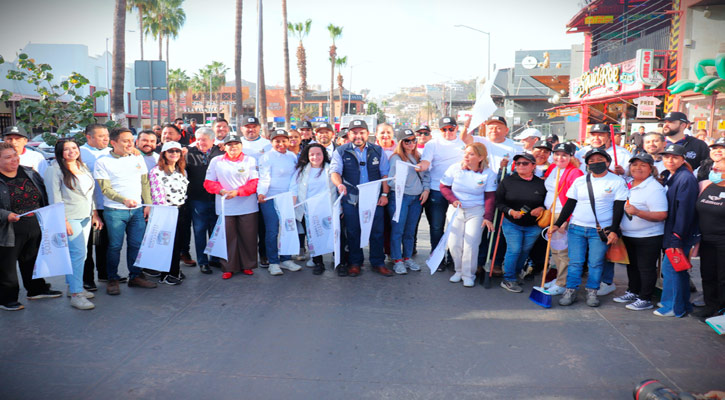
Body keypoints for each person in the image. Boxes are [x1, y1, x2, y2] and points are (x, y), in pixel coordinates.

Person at [550, 148, 628, 307]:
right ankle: (570, 290)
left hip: (599, 231)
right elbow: (570, 203)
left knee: (595, 262)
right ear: (587, 164)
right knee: (575, 262)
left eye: (599, 159)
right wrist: (558, 224)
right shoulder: (580, 181)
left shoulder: (617, 181)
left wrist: (613, 230)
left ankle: (592, 291)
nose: (595, 163)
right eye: (591, 161)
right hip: (576, 228)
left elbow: (618, 207)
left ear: (607, 162)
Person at [93, 127, 158, 295]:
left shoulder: (137, 158)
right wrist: (124, 200)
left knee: (136, 245)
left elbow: (145, 183)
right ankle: (112, 279)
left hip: (137, 211)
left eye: (131, 140)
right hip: (115, 211)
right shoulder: (103, 161)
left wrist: (148, 204)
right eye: (125, 140)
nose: (130, 143)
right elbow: (105, 189)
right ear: (113, 143)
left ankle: (135, 276)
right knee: (114, 246)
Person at [0, 142, 62, 311]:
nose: (14, 159)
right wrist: (6, 215)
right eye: (8, 157)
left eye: (15, 155)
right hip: (8, 229)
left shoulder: (29, 172)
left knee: (32, 260)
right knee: (7, 267)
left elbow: (43, 193)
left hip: (34, 225)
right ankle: (7, 298)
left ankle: (36, 289)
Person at [45, 139, 103, 309]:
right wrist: (62, 221)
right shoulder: (54, 170)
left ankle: (73, 287)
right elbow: (54, 199)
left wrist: (94, 214)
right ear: (59, 153)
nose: (71, 152)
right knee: (78, 255)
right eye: (66, 149)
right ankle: (77, 294)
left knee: (81, 255)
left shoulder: (82, 167)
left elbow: (90, 194)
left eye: (74, 148)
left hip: (85, 215)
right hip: (69, 217)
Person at [330, 119, 392, 277]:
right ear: (349, 134)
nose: (358, 136)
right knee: (353, 231)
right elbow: (335, 172)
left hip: (375, 198)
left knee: (376, 232)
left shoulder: (378, 150)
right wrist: (339, 185)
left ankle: (378, 262)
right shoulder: (341, 151)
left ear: (367, 134)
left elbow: (385, 173)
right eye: (354, 132)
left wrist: (385, 194)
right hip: (352, 199)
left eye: (361, 132)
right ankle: (355, 262)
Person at [439, 142, 497, 287]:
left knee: (471, 244)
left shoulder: (489, 174)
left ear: (480, 157)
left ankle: (468, 274)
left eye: (471, 154)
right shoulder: (455, 168)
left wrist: (488, 218)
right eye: (466, 153)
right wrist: (453, 200)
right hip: (456, 210)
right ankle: (458, 271)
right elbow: (444, 186)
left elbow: (490, 197)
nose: (466, 156)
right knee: (454, 243)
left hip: (476, 211)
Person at [616, 153, 668, 311]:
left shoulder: (654, 188)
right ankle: (633, 291)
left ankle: (645, 298)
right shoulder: (629, 183)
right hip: (630, 235)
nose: (637, 168)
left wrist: (638, 212)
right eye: (634, 165)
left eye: (643, 165)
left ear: (651, 169)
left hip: (648, 236)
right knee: (632, 266)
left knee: (646, 268)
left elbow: (661, 215)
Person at [203, 134, 260, 278]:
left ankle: (248, 265)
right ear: (224, 146)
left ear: (241, 145)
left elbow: (254, 182)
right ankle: (228, 267)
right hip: (225, 206)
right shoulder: (216, 161)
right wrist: (220, 190)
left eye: (236, 143)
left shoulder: (250, 160)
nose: (233, 147)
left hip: (247, 205)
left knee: (248, 237)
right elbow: (209, 182)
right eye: (229, 144)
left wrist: (238, 192)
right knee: (227, 237)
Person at [417, 116, 465, 272]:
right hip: (436, 190)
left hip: (456, 191)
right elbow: (426, 162)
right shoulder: (432, 144)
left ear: (456, 128)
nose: (448, 132)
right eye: (444, 129)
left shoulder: (463, 144)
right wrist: (419, 167)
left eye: (451, 129)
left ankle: (452, 258)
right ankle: (437, 257)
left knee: (455, 227)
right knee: (437, 226)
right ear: (439, 130)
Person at [656, 144, 699, 317]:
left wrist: (677, 235)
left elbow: (685, 211)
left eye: (674, 157)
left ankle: (672, 306)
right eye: (666, 157)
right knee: (678, 269)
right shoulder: (670, 175)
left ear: (682, 159)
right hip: (673, 230)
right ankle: (682, 304)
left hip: (679, 232)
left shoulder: (685, 178)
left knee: (670, 269)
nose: (670, 160)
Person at [496, 153, 546, 293]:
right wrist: (511, 211)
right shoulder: (507, 181)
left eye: (525, 163)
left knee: (524, 251)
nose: (520, 166)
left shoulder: (541, 183)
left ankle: (515, 274)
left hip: (533, 225)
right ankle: (509, 279)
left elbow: (547, 203)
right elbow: (499, 202)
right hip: (512, 223)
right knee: (515, 249)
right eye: (518, 163)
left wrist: (541, 208)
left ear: (533, 166)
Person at [541, 143, 584, 296]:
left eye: (564, 155)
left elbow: (576, 199)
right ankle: (559, 278)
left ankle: (562, 283)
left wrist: (566, 219)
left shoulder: (575, 172)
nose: (560, 158)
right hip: (551, 213)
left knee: (562, 251)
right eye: (557, 154)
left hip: (562, 214)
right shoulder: (553, 168)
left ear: (571, 157)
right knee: (554, 251)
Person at [257, 129, 301, 276]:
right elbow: (264, 176)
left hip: (287, 198)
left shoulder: (292, 156)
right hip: (270, 198)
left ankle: (286, 259)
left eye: (284, 141)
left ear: (288, 142)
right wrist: (261, 192)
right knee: (272, 230)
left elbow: (295, 178)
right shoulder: (266, 157)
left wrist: (293, 195)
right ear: (271, 142)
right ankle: (273, 262)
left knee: (287, 227)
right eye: (277, 141)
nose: (281, 144)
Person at [387, 129, 430, 274]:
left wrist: (426, 190)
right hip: (401, 198)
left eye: (413, 140)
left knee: (410, 231)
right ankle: (397, 259)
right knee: (398, 230)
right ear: (401, 142)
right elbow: (391, 181)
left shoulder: (418, 156)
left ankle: (407, 257)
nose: (411, 143)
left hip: (416, 198)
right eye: (407, 141)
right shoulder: (396, 158)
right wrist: (401, 179)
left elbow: (426, 175)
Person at [290, 143, 337, 274]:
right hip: (308, 210)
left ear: (324, 155)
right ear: (307, 156)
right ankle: (318, 262)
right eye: (312, 154)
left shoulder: (330, 169)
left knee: (332, 235)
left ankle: (338, 260)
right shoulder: (301, 171)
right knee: (313, 238)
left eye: (318, 154)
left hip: (327, 209)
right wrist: (292, 205)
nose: (315, 157)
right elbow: (293, 188)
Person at [148, 141, 190, 285]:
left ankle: (174, 270)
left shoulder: (181, 170)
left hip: (181, 210)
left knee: (178, 243)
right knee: (167, 244)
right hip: (166, 212)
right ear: (164, 153)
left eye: (177, 151)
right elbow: (157, 195)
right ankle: (167, 274)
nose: (174, 154)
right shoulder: (156, 171)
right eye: (170, 151)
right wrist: (166, 213)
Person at [186, 127, 225, 275]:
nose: (201, 142)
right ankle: (203, 261)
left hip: (217, 197)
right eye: (199, 139)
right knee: (199, 230)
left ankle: (215, 257)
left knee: (216, 229)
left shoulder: (221, 152)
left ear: (213, 140)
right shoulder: (188, 153)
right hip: (197, 198)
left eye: (204, 139)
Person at [80, 124, 112, 291]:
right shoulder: (79, 153)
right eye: (101, 136)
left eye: (107, 135)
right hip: (87, 207)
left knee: (104, 242)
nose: (105, 139)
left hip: (107, 205)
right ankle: (87, 279)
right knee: (86, 245)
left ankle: (104, 273)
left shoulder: (112, 152)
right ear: (89, 137)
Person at [695, 158, 725, 319]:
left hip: (723, 241)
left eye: (719, 170)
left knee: (722, 277)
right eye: (714, 169)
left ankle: (722, 309)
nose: (715, 172)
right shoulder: (706, 186)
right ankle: (710, 305)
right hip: (706, 240)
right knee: (707, 274)